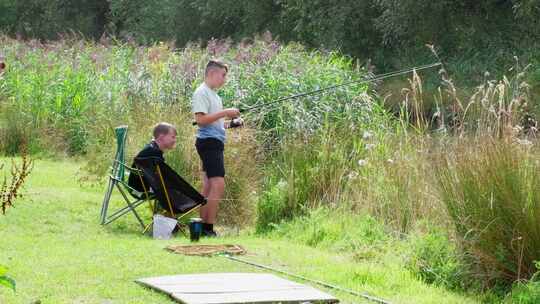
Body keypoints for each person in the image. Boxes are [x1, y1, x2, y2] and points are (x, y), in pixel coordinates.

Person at [192, 59, 241, 237]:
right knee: (218, 184)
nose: (224, 79)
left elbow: (215, 123)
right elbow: (201, 121)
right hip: (209, 144)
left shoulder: (215, 96)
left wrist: (231, 123)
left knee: (207, 186)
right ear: (212, 74)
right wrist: (225, 112)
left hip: (214, 142)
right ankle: (208, 228)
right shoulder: (201, 92)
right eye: (223, 75)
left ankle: (200, 227)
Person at [128, 122, 177, 191]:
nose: (174, 140)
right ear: (161, 137)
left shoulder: (151, 147)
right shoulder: (154, 153)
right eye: (173, 137)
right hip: (142, 189)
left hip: (135, 186)